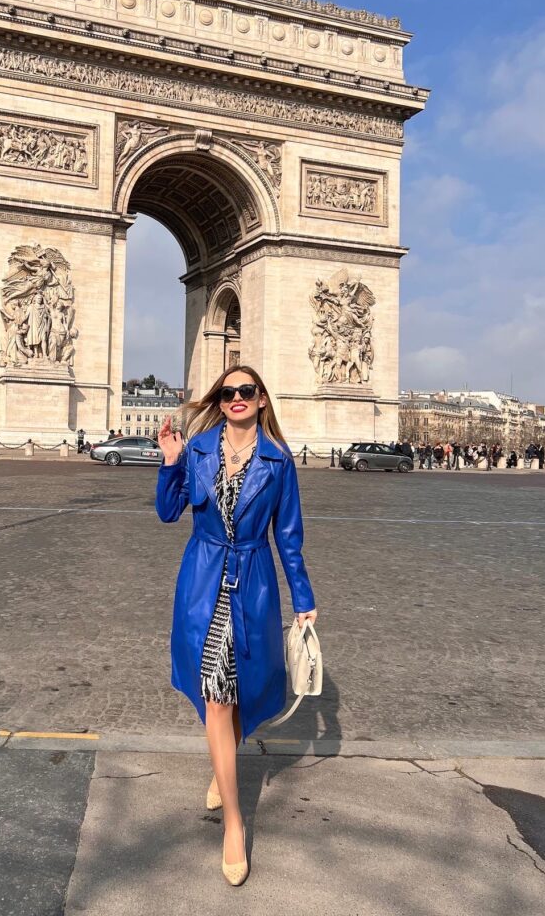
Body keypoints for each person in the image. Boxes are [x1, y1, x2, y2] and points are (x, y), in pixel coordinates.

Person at [156, 364, 318, 887]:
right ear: (220, 401)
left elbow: (288, 536)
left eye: (246, 391)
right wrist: (170, 462)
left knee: (244, 690)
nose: (236, 398)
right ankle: (233, 822)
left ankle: (220, 767)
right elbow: (167, 512)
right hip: (203, 584)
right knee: (217, 696)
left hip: (252, 584)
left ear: (263, 400)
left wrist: (304, 599)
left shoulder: (279, 462)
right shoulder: (199, 448)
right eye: (228, 393)